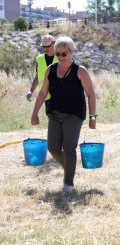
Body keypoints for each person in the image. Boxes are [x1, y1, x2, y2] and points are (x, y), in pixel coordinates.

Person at [31, 36, 97, 193]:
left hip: (74, 115)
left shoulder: (80, 71)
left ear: (71, 53)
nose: (60, 57)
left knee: (69, 148)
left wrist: (92, 117)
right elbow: (42, 93)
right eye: (58, 54)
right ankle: (70, 167)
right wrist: (35, 113)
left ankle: (68, 182)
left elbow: (91, 95)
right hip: (54, 113)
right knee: (53, 148)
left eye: (64, 54)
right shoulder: (50, 70)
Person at [26, 35, 59, 113]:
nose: (46, 48)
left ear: (54, 44)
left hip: (61, 96)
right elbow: (37, 78)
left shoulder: (62, 56)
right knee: (53, 122)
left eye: (48, 46)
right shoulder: (39, 59)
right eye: (44, 46)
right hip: (47, 97)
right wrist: (31, 91)